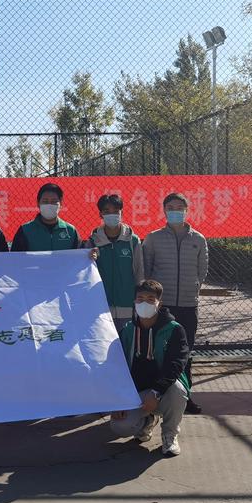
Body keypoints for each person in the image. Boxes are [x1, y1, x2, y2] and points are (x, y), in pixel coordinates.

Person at [142, 192, 208, 415]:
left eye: (179, 207)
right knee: (159, 352)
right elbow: (147, 270)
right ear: (164, 211)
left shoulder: (198, 239)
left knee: (185, 353)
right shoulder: (153, 238)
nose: (175, 211)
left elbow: (202, 271)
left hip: (189, 305)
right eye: (171, 207)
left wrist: (192, 290)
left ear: (187, 210)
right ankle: (157, 395)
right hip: (164, 306)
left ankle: (185, 397)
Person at [108, 280, 190, 457]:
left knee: (177, 389)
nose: (144, 303)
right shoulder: (127, 331)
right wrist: (118, 401)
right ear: (134, 301)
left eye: (151, 299)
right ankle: (147, 421)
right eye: (140, 298)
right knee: (119, 426)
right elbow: (117, 367)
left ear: (159, 303)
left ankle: (170, 435)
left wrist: (156, 392)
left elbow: (176, 364)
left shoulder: (174, 330)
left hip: (163, 391)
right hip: (137, 392)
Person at [84, 193, 144, 330]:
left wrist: (139, 300)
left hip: (127, 305)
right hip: (101, 306)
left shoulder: (133, 241)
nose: (112, 214)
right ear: (100, 214)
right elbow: (86, 274)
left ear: (122, 212)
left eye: (116, 211)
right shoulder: (93, 242)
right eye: (107, 211)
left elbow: (139, 272)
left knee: (127, 341)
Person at [11, 182, 82, 251]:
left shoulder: (71, 231)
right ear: (38, 203)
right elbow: (15, 257)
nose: (49, 205)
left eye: (54, 201)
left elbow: (80, 255)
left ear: (61, 204)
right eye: (45, 201)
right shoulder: (25, 231)